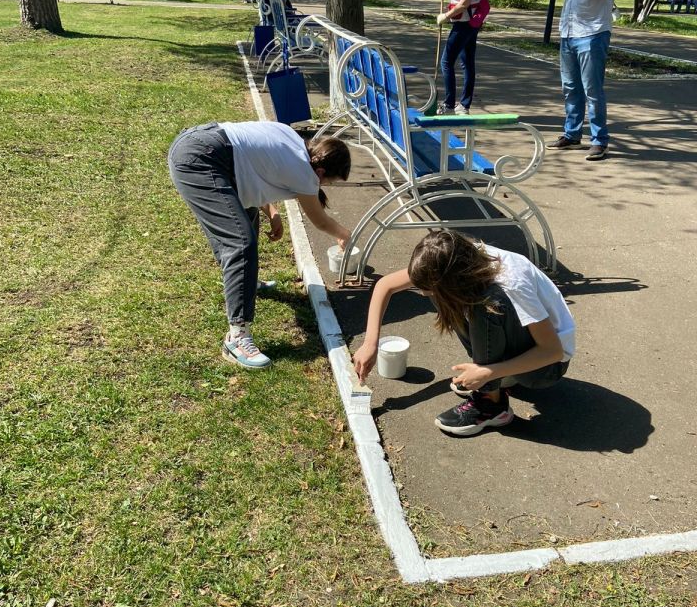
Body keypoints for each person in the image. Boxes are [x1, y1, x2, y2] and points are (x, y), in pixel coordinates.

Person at [353, 230, 575, 437]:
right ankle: (501, 376)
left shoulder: (511, 285)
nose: (422, 294)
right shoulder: (457, 259)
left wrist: (487, 372)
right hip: (524, 348)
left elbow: (552, 351)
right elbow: (385, 285)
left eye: (427, 288)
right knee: (445, 295)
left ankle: (491, 406)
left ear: (454, 276)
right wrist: (370, 343)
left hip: (545, 369)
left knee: (486, 306)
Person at [168, 121, 351, 370]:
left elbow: (251, 165)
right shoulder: (304, 172)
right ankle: (236, 338)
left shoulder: (294, 140)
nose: (325, 187)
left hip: (202, 144)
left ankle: (245, 283)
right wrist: (344, 235)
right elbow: (319, 221)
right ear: (321, 173)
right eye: (330, 183)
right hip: (199, 161)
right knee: (240, 241)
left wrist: (272, 211)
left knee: (247, 213)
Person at [549, 0, 624, 162]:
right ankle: (572, 134)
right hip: (569, 28)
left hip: (593, 30)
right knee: (570, 86)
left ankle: (599, 140)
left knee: (593, 89)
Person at [435, 0, 486, 116]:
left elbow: (465, 2)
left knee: (447, 61)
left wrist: (445, 16)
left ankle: (449, 105)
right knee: (467, 63)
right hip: (467, 22)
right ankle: (463, 105)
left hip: (465, 22)